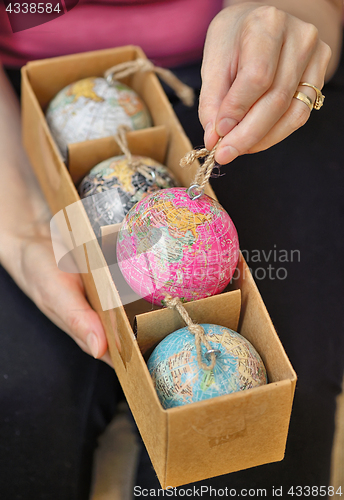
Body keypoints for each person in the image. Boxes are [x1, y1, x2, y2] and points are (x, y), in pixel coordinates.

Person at [0, 0, 343, 498]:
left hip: (235, 87)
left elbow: (316, 14)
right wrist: (19, 221)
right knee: (21, 394)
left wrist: (289, 16)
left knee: (274, 415)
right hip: (21, 109)